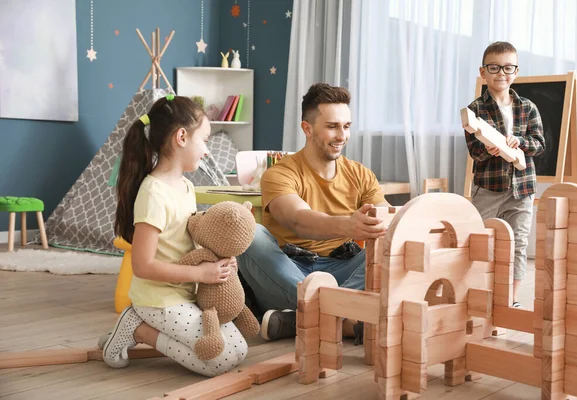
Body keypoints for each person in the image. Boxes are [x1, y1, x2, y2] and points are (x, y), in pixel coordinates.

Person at [99, 94, 247, 377]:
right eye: (204, 140)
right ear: (181, 137)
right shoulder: (154, 193)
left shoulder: (187, 187)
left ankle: (141, 327)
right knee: (221, 360)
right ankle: (138, 328)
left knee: (239, 348)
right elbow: (142, 266)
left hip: (187, 294)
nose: (207, 151)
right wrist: (202, 275)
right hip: (158, 300)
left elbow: (188, 239)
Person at [237, 83, 391, 341]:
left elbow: (387, 215)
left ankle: (303, 319)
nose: (342, 135)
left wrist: (381, 221)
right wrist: (350, 225)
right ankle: (344, 320)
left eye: (347, 126)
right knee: (249, 233)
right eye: (332, 126)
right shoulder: (280, 173)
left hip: (342, 268)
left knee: (391, 242)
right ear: (307, 129)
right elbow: (298, 220)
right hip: (287, 270)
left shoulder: (361, 174)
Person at [465, 41, 545, 308]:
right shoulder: (475, 109)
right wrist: (489, 149)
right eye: (494, 67)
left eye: (508, 67)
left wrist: (520, 142)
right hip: (488, 188)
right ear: (483, 71)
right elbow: (475, 151)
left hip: (522, 189)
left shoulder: (528, 108)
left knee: (519, 243)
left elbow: (539, 144)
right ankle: (478, 291)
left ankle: (510, 298)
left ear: (516, 71)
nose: (501, 73)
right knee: (478, 240)